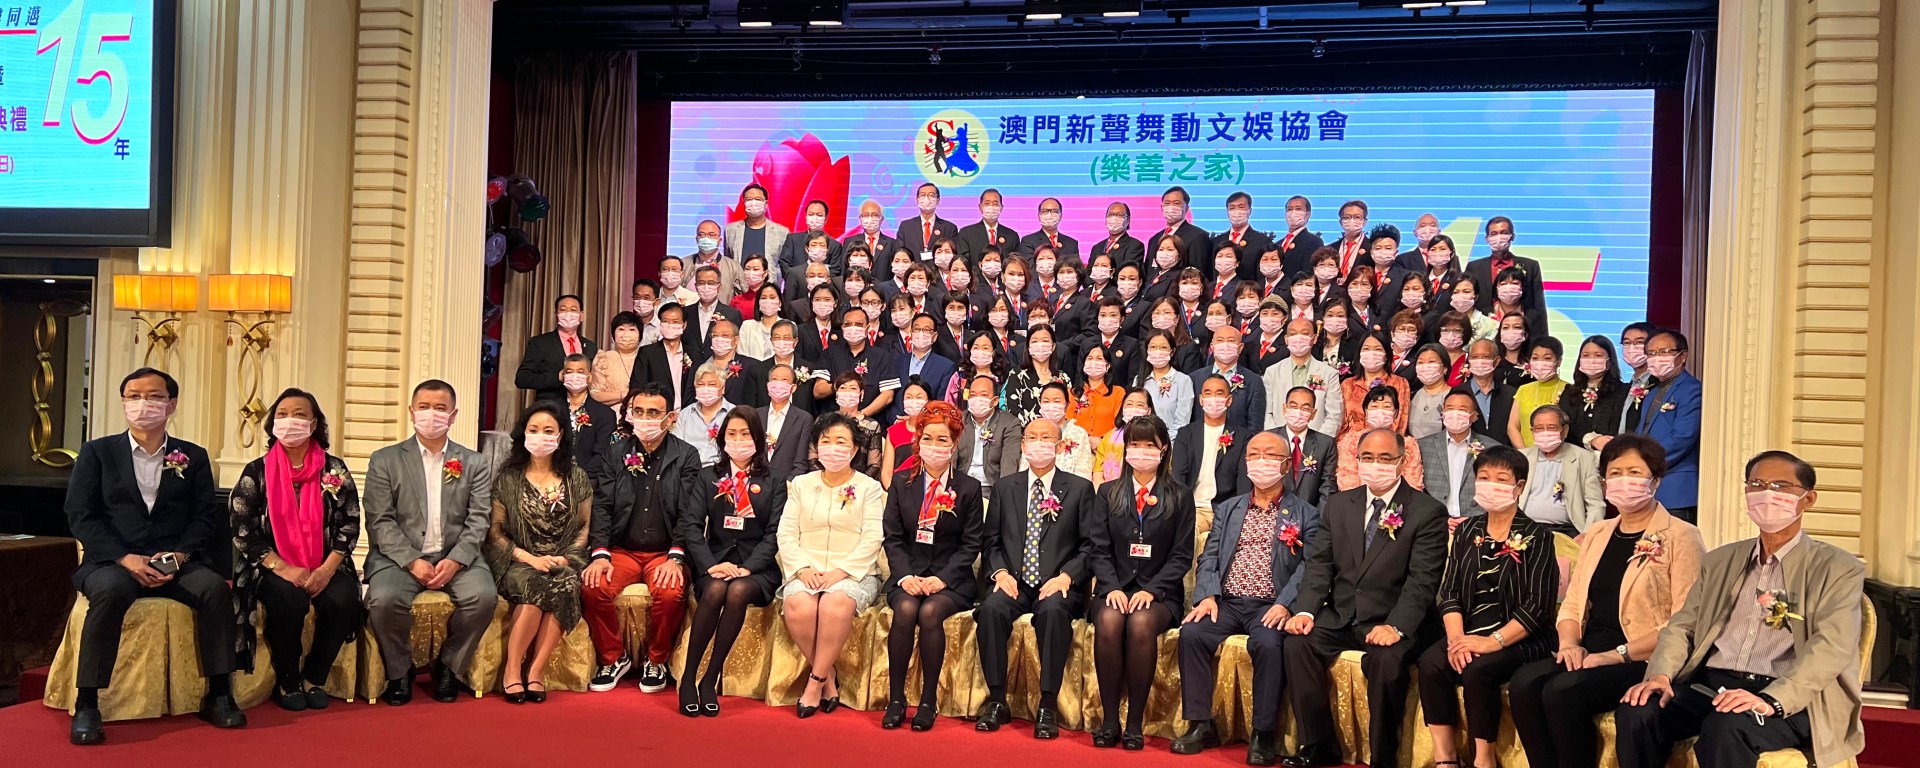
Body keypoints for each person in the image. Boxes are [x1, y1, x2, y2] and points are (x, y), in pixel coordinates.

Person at [1616, 450, 1864, 768]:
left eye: (1781, 486)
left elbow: (1832, 647)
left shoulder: (1838, 568)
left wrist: (1772, 699)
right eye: (1757, 484)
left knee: (1727, 727)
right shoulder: (1721, 560)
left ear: (1808, 498)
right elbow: (1682, 626)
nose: (1767, 494)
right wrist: (1660, 675)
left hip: (1788, 694)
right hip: (1711, 685)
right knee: (1638, 710)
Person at [65, 369, 244, 744]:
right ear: (123, 403)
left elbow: (204, 517)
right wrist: (124, 558)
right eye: (133, 396)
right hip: (112, 561)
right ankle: (87, 703)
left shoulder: (192, 456)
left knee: (214, 589)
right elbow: (81, 515)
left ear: (171, 404)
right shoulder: (97, 453)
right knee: (110, 592)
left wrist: (180, 554)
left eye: (153, 396)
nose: (142, 404)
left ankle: (219, 693)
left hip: (176, 559)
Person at [1507, 434, 1704, 768]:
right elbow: (1573, 602)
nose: (1624, 480)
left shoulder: (1681, 536)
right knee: (1524, 683)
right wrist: (1569, 644)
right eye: (1615, 473)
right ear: (1604, 481)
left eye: (1634, 472)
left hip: (1641, 655)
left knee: (1563, 691)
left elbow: (1685, 620)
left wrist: (1615, 655)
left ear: (1655, 480)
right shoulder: (1599, 532)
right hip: (1590, 648)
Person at [1280, 428, 1449, 768]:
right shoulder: (1340, 504)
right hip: (1343, 615)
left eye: (1385, 458)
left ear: (1402, 461)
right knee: (1298, 644)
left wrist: (1396, 626)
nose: (1376, 464)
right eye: (1368, 457)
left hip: (1393, 617)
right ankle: (1319, 744)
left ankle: (1383, 757)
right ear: (1357, 460)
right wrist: (1306, 611)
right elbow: (1319, 564)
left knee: (1385, 662)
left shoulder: (1427, 510)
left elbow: (1422, 580)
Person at [1172, 431, 1318, 765]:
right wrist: (1207, 595)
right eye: (1254, 455)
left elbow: (1310, 566)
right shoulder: (1228, 509)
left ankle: (1263, 733)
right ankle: (1200, 724)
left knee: (1268, 644)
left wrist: (1285, 604)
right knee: (1192, 634)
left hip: (1270, 606)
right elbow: (1209, 556)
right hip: (1227, 602)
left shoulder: (1306, 514)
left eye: (1270, 455)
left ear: (1286, 465)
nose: (1260, 461)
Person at [1415, 444, 1559, 768]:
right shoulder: (1467, 530)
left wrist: (1491, 642)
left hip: (1522, 635)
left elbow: (1537, 607)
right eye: (1484, 477)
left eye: (1501, 479)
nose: (1491, 485)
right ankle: (1446, 757)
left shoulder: (1537, 537)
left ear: (1519, 487)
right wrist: (1456, 639)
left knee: (1479, 669)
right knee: (1431, 662)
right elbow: (1450, 590)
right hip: (1468, 630)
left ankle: (1484, 758)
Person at [225, 388, 362, 711]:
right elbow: (243, 530)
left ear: (314, 424)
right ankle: (288, 680)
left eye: (300, 415)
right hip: (269, 566)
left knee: (343, 599)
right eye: (283, 415)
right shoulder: (256, 472)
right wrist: (283, 568)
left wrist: (326, 570)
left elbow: (349, 524)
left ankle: (315, 677)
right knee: (288, 600)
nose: (290, 421)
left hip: (325, 563)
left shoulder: (334, 470)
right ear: (273, 424)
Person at [363, 379, 497, 706]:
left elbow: (479, 518)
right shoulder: (385, 460)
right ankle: (400, 670)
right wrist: (412, 560)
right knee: (383, 600)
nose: (431, 414)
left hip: (457, 554)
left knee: (483, 598)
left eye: (440, 408)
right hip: (399, 557)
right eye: (424, 407)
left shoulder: (473, 462)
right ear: (411, 412)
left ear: (453, 415)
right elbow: (379, 520)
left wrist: (457, 559)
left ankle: (448, 666)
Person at [973, 417, 1099, 739]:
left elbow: (1090, 547)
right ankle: (997, 700)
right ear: (1023, 444)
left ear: (1059, 445)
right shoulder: (1005, 487)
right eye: (1032, 437)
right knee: (991, 610)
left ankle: (1048, 704)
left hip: (1056, 584)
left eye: (1046, 438)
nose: (1038, 443)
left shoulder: (1079, 489)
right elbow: (991, 541)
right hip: (1013, 581)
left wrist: (1067, 577)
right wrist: (1000, 572)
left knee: (1053, 612)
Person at [582, 383, 702, 694]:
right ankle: (614, 657)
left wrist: (676, 556)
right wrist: (600, 553)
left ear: (670, 418)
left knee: (671, 592)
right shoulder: (615, 453)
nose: (645, 419)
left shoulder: (686, 456)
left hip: (665, 551)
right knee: (593, 586)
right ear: (629, 415)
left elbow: (689, 512)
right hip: (623, 549)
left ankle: (657, 659)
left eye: (653, 413)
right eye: (639, 411)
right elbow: (602, 506)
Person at [1086, 415, 1194, 750]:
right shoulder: (1108, 492)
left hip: (1160, 593)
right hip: (1114, 586)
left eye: (1150, 445)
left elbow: (1181, 556)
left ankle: (1134, 722)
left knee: (1141, 622)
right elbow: (1098, 548)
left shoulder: (1180, 495)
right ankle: (1109, 720)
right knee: (1109, 619)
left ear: (1163, 450)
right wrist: (1112, 587)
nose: (1141, 451)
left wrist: (1152, 590)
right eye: (1135, 444)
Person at [879, 402, 984, 730]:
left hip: (951, 580)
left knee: (929, 612)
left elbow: (971, 544)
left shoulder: (968, 488)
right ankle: (896, 699)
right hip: (908, 573)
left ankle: (928, 701)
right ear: (918, 440)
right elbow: (892, 537)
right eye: (928, 438)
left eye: (942, 440)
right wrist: (904, 576)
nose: (934, 446)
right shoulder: (902, 483)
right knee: (906, 608)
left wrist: (943, 578)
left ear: (954, 444)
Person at [676, 406, 787, 717]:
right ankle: (688, 679)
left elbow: (775, 532)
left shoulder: (774, 480)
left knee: (737, 590)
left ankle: (710, 679)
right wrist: (709, 565)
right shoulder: (708, 476)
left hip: (756, 569)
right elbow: (692, 526)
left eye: (745, 434)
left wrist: (748, 567)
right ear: (722, 438)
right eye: (732, 434)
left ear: (758, 438)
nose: (738, 440)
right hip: (715, 562)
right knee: (714, 589)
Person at [776, 412, 887, 718]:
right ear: (816, 447)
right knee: (799, 606)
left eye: (841, 442)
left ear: (854, 449)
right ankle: (828, 676)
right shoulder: (801, 484)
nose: (833, 448)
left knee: (834, 604)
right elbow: (786, 533)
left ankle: (814, 683)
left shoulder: (868, 488)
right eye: (826, 441)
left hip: (853, 572)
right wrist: (802, 569)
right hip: (807, 569)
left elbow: (873, 537)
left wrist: (841, 572)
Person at [485, 401, 593, 704]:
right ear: (524, 433)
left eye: (548, 430)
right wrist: (529, 558)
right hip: (519, 560)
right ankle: (511, 670)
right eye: (534, 430)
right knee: (535, 584)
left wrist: (567, 558)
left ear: (560, 435)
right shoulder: (508, 479)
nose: (540, 436)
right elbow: (494, 532)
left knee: (566, 583)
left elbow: (583, 527)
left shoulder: (576, 477)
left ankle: (535, 670)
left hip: (562, 559)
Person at [1632, 329, 1701, 522]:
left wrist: (1647, 462)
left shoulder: (1692, 390)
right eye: (1651, 353)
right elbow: (1642, 432)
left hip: (1676, 489)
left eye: (1664, 352)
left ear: (1683, 356)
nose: (1657, 358)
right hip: (1647, 488)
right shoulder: (1652, 392)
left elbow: (1683, 437)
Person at [1518, 405, 1604, 537]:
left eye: (1551, 427)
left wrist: (1587, 535)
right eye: (1539, 428)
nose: (1545, 433)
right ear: (1532, 431)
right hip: (1525, 528)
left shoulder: (1584, 458)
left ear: (1565, 430)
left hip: (1566, 530)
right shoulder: (1521, 457)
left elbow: (1595, 505)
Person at [1172, 375, 1252, 516]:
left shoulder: (1243, 437)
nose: (1213, 399)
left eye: (1219, 393)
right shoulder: (1186, 434)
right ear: (1201, 400)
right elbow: (1178, 476)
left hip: (1226, 510)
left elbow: (1243, 482)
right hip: (1193, 509)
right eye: (1208, 393)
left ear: (1229, 400)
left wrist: (1237, 515)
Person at [1417, 388, 1498, 525]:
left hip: (1475, 523)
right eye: (1450, 408)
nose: (1455, 414)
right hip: (1433, 522)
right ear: (1442, 412)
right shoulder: (1422, 446)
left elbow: (1495, 491)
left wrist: (1476, 519)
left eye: (1462, 409)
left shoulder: (1492, 448)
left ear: (1474, 416)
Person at [1261, 317, 1344, 434]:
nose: (1298, 338)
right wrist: (1276, 439)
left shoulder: (1329, 373)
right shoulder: (1272, 372)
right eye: (1293, 334)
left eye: (1304, 333)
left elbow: (1334, 415)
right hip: (1278, 439)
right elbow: (1265, 412)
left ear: (1314, 339)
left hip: (1317, 439)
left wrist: (1320, 441)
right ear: (1286, 339)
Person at [1335, 385, 1425, 492]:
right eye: (1374, 406)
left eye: (1386, 406)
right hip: (1358, 499)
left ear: (1395, 413)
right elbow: (1346, 477)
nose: (1380, 411)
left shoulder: (1408, 445)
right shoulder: (1350, 442)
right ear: (1366, 412)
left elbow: (1413, 483)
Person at [516, 295, 598, 402]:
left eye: (573, 310)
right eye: (563, 310)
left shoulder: (591, 346)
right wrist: (557, 377)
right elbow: (522, 379)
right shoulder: (540, 343)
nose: (568, 314)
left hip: (582, 407)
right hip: (550, 406)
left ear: (581, 315)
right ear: (556, 315)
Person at [1188, 324, 1264, 436]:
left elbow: (1255, 425)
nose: (1225, 345)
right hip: (1200, 440)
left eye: (1231, 341)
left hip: (1239, 442)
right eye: (1220, 340)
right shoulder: (1195, 378)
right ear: (1212, 346)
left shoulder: (1254, 381)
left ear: (1240, 347)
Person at [1465, 216, 1546, 319]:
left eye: (1503, 233)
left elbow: (1539, 305)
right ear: (1487, 239)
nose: (1499, 237)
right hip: (1483, 325)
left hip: (1521, 324)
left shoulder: (1530, 266)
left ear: (1512, 236)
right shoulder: (1474, 267)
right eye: (1494, 234)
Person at [1274, 386, 1340, 509]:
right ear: (1284, 409)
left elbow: (1327, 487)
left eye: (1305, 408)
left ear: (1313, 414)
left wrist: (1318, 518)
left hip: (1311, 513)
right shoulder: (1269, 438)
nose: (1298, 412)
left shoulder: (1326, 443)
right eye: (1293, 406)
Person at [1563, 336, 1631, 452]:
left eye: (1598, 355)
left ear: (1609, 361)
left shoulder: (1623, 391)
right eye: (1586, 355)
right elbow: (1565, 426)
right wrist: (1590, 439)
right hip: (1574, 455)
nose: (1592, 360)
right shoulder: (1570, 391)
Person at [961, 375, 1024, 495]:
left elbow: (1009, 464)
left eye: (984, 395)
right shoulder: (959, 420)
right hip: (962, 487)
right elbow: (952, 461)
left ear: (995, 401)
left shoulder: (1009, 423)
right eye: (973, 395)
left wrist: (1003, 495)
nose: (977, 399)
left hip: (992, 488)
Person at [557, 354, 618, 478]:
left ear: (589, 378)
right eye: (569, 372)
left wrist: (581, 479)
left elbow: (602, 453)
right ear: (563, 376)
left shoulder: (605, 414)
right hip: (552, 476)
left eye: (580, 372)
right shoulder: (550, 410)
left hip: (589, 478)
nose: (574, 376)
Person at [1340, 334, 1409, 436]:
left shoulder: (1400, 383)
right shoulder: (1348, 384)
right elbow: (1342, 423)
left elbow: (1400, 423)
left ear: (1387, 355)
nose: (1371, 353)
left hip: (1387, 440)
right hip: (1350, 442)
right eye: (1366, 349)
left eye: (1378, 349)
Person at [894, 313, 958, 420]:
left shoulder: (946, 366)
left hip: (928, 424)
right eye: (917, 329)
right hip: (898, 423)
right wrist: (897, 419)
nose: (921, 333)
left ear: (935, 336)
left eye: (926, 330)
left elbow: (942, 402)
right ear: (911, 333)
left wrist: (920, 420)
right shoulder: (897, 361)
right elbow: (890, 397)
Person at [1003, 324, 1071, 423]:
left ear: (1053, 346)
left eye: (1045, 341)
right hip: (1027, 431)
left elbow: (1069, 410)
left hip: (1060, 430)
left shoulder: (1063, 378)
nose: (1040, 345)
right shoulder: (1017, 375)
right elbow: (1013, 411)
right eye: (1035, 341)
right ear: (1028, 347)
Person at [636, 302, 697, 410]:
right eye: (665, 321)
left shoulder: (695, 355)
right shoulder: (647, 353)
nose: (670, 325)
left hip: (687, 414)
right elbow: (638, 387)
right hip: (657, 413)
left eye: (675, 322)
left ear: (684, 325)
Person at [1509, 337, 1567, 447]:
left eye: (1547, 358)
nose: (1540, 363)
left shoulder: (1569, 390)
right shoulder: (1523, 390)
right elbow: (1512, 427)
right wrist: (1525, 453)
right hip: (1526, 453)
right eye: (1535, 358)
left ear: (1559, 362)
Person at [673, 364, 735, 466]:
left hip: (722, 469)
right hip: (689, 469)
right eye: (701, 384)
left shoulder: (734, 414)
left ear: (723, 389)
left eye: (711, 385)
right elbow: (676, 447)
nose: (706, 389)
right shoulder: (685, 414)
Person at [1139, 330, 1195, 439]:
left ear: (1172, 351)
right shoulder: (1139, 380)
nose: (1157, 351)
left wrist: (1165, 442)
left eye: (1163, 347)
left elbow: (1182, 421)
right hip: (1141, 439)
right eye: (1153, 347)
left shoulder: (1183, 380)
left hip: (1171, 442)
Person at [1463, 339, 1518, 446]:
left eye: (1485, 357)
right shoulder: (1458, 392)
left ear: (1496, 361)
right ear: (1469, 361)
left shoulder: (1511, 394)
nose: (1480, 361)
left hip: (1504, 454)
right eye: (1475, 357)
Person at [881, 380, 934, 488]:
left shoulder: (935, 430)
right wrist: (893, 493)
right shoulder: (893, 431)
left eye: (919, 397)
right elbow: (886, 472)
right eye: (908, 397)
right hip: (899, 488)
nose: (913, 401)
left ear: (928, 401)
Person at [727, 184, 791, 269]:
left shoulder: (782, 232)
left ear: (766, 203)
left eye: (758, 199)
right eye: (749, 199)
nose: (753, 203)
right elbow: (728, 260)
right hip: (739, 277)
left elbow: (783, 265)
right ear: (744, 203)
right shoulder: (730, 230)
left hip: (770, 277)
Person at [1158, 186, 1213, 280]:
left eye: (1176, 203)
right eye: (1167, 203)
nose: (1171, 207)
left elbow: (1197, 272)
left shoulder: (1197, 236)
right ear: (1162, 208)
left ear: (1186, 208)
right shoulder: (1155, 238)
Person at [774, 200, 843, 275]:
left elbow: (835, 270)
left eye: (819, 215)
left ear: (826, 218)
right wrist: (797, 279)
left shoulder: (835, 245)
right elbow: (784, 264)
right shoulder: (793, 239)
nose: (814, 218)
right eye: (811, 214)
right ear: (806, 216)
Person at [591, 312, 645, 407]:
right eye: (621, 329)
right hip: (610, 413)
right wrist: (625, 395)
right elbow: (595, 394)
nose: (626, 334)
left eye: (632, 329)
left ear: (640, 336)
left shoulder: (647, 357)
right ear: (613, 335)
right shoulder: (603, 358)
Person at [956, 187, 1019, 264]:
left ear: (1001, 208)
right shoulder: (966, 233)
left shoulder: (1012, 236)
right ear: (980, 207)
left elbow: (1015, 263)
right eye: (987, 203)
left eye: (995, 204)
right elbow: (963, 263)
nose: (991, 207)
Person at [689, 220, 745, 305]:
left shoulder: (734, 267)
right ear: (697, 239)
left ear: (720, 240)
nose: (706, 238)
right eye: (702, 234)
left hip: (723, 312)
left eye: (711, 235)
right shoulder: (684, 264)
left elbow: (742, 297)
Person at [898, 182, 958, 260]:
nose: (926, 199)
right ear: (917, 200)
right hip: (913, 267)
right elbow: (900, 252)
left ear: (938, 200)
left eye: (931, 195)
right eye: (922, 195)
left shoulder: (949, 228)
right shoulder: (906, 226)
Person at [1406, 344, 1454, 439]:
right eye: (1420, 362)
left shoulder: (1455, 396)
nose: (1425, 367)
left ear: (1445, 367)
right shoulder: (1410, 396)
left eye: (1431, 362)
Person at [1277, 196, 1324, 278]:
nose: (1293, 213)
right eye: (1289, 209)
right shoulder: (1277, 244)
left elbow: (1308, 273)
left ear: (1307, 215)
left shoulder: (1314, 242)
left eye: (1298, 209)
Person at [1090, 201, 1146, 266]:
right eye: (1110, 215)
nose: (1114, 218)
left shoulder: (1135, 246)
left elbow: (1129, 269)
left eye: (1119, 215)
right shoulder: (1097, 247)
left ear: (1128, 220)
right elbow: (1089, 270)